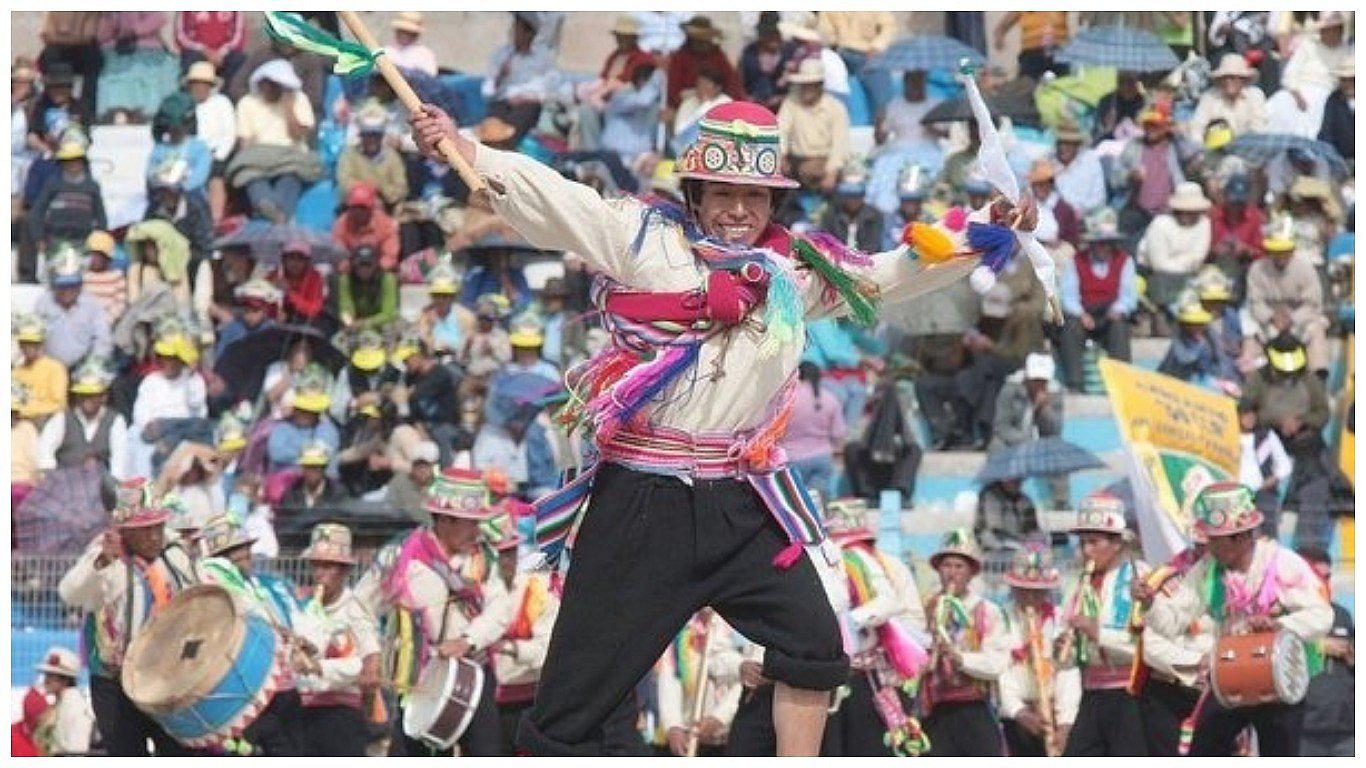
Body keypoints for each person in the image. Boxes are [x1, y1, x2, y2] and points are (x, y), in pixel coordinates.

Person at [409, 94, 1038, 756]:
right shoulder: (646, 241)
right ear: (696, 191)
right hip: (641, 503)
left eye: (756, 196)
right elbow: (567, 203)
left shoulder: (793, 272)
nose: (739, 210)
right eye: (723, 193)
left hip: (739, 500)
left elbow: (882, 275)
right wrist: (466, 148)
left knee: (814, 642)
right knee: (569, 709)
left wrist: (981, 233)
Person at [1146, 483, 1333, 755]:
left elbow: (1322, 615)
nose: (1209, 546)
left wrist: (1279, 625)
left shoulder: (1282, 564)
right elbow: (1173, 621)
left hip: (1279, 684)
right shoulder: (1206, 570)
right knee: (1202, 750)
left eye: (1216, 539)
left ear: (1242, 537)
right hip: (1230, 678)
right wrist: (1150, 602)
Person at [356, 469, 513, 756]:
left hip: (474, 673)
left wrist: (467, 640)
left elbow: (501, 608)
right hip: (419, 679)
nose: (477, 531)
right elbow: (359, 606)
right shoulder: (401, 556)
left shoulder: (483, 560)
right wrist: (370, 653)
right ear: (444, 519)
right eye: (470, 523)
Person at [58, 487, 200, 756]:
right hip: (115, 682)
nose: (154, 536)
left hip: (166, 676)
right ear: (126, 531)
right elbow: (70, 593)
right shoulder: (105, 554)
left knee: (179, 750)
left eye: (158, 527)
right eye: (144, 530)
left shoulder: (173, 555)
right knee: (126, 752)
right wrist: (101, 563)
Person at [820, 500, 930, 756]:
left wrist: (859, 627)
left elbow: (913, 621)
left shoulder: (890, 566)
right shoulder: (826, 566)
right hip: (831, 677)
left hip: (876, 679)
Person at [197, 516, 306, 755]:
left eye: (244, 548)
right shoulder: (219, 590)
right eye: (234, 550)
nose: (243, 554)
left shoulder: (263, 587)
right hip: (248, 690)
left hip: (282, 687)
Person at [1058, 493, 1149, 756]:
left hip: (1131, 693)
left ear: (1116, 543)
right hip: (1092, 693)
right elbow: (1066, 663)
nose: (1087, 551)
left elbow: (1145, 646)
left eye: (1094, 542)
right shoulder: (1076, 585)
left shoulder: (1139, 577)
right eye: (1083, 543)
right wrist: (1063, 646)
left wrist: (1098, 632)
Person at [920, 529, 1009, 757]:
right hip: (936, 712)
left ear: (971, 573)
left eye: (959, 567)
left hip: (974, 710)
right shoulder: (926, 608)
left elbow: (997, 664)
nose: (951, 573)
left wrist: (959, 658)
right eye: (946, 566)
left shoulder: (988, 611)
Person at [1130, 529, 1212, 756]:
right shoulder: (1165, 583)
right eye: (1205, 545)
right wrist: (1198, 661)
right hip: (1169, 693)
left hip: (1214, 696)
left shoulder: (1241, 584)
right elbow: (1153, 647)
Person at [999, 545, 1080, 756]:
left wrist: (1064, 724)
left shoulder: (1059, 621)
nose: (1031, 599)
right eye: (1023, 591)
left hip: (1053, 715)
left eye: (1037, 592)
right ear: (1013, 589)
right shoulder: (1001, 621)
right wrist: (1019, 712)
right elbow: (1000, 673)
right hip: (1016, 718)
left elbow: (1068, 674)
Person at [1059, 209, 1137, 391]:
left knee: (1119, 327)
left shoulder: (1125, 261)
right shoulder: (1076, 260)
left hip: (1110, 312)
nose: (1105, 248)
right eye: (1101, 243)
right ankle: (1075, 382)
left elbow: (1129, 296)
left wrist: (1118, 309)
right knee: (1070, 327)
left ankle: (1122, 383)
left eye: (1109, 243)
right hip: (1084, 311)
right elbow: (1068, 296)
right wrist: (1081, 314)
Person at [233, 58, 317, 222]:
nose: (270, 88)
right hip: (258, 156)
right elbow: (245, 142)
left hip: (290, 156)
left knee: (291, 176)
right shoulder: (247, 103)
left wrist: (288, 109)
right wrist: (248, 161)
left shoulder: (298, 99)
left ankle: (279, 215)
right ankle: (268, 206)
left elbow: (299, 135)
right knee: (251, 176)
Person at [654, 610, 743, 756]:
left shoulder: (738, 632)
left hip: (729, 735)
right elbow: (670, 677)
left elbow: (745, 681)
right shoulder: (681, 632)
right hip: (689, 736)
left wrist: (720, 717)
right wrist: (673, 725)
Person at [1296, 545, 1355, 757]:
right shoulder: (1289, 615)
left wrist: (1351, 655)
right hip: (1303, 729)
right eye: (1318, 577)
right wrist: (1320, 645)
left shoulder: (1342, 614)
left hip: (1346, 730)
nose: (1324, 584)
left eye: (1327, 577)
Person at [1245, 235, 1330, 374]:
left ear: (1292, 251)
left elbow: (1313, 303)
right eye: (1276, 251)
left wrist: (1292, 318)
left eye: (1284, 251)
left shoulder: (1305, 268)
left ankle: (1318, 379)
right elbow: (1254, 302)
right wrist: (1272, 317)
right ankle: (1250, 380)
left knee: (1316, 329)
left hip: (1299, 322)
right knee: (1250, 334)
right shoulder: (1257, 269)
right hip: (1269, 322)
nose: (1280, 255)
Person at [130, 330, 209, 477]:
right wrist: (147, 425)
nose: (168, 362)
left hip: (185, 429)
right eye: (164, 358)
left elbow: (196, 405)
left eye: (172, 358)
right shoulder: (151, 381)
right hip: (157, 429)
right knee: (135, 434)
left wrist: (191, 376)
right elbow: (140, 411)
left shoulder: (194, 380)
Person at [37, 358, 128, 478]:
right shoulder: (62, 418)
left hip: (100, 486)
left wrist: (114, 485)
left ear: (104, 397)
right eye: (83, 395)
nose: (86, 400)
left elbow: (119, 460)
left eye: (92, 396)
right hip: (64, 483)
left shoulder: (115, 420)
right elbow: (45, 451)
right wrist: (52, 478)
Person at [28, 130, 106, 266]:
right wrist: (39, 237)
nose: (72, 165)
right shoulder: (53, 184)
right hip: (55, 239)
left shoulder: (92, 186)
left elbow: (101, 216)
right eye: (68, 161)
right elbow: (37, 212)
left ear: (83, 162)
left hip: (84, 240)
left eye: (76, 161)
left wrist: (98, 241)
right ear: (62, 163)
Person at [483, 12, 556, 150]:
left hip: (528, 104)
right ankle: (490, 145)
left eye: (518, 30)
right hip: (502, 103)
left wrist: (525, 97)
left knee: (525, 112)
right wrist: (500, 77)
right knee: (494, 118)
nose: (514, 33)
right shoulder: (502, 55)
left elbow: (548, 88)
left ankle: (505, 147)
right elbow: (487, 91)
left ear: (530, 34)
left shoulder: (543, 57)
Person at [1136, 182, 1212, 314]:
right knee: (1162, 285)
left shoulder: (1204, 223)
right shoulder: (1160, 225)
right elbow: (1159, 265)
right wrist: (1186, 262)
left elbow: (1198, 257)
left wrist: (1178, 262)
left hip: (1189, 277)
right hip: (1155, 276)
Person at [778, 58, 850, 191]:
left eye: (810, 85)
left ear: (820, 85)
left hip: (824, 161)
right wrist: (781, 155)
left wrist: (831, 173)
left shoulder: (836, 108)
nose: (806, 89)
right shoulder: (791, 103)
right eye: (804, 85)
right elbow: (781, 130)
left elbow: (839, 145)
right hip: (795, 161)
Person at [780, 362, 847, 499]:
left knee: (796, 501)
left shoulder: (785, 399)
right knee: (820, 502)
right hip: (822, 456)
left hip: (791, 457)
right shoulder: (830, 398)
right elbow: (838, 434)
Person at [182, 61, 236, 219]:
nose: (199, 88)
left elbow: (229, 134)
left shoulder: (222, 103)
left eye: (203, 84)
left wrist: (217, 156)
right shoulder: (184, 105)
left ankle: (215, 219)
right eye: (195, 84)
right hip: (188, 155)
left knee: (215, 177)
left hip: (216, 153)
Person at [665, 16, 745, 119]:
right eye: (698, 40)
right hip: (685, 107)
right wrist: (696, 93)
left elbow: (733, 85)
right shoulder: (680, 57)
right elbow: (673, 92)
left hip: (716, 103)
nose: (701, 44)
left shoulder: (718, 57)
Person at [1237, 396, 1293, 537]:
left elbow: (1285, 464)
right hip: (1237, 496)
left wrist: (1274, 479)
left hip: (1263, 493)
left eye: (1252, 415)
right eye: (1245, 415)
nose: (1249, 419)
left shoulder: (1266, 436)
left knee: (1268, 536)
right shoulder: (1231, 436)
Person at [26, 647, 96, 755]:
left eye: (51, 675)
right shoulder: (62, 703)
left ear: (65, 679)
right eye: (46, 674)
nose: (46, 680)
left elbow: (77, 750)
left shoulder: (75, 706)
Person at [337, 104, 408, 209]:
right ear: (361, 136)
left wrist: (381, 190)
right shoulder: (349, 156)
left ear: (382, 136)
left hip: (387, 209)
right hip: (355, 209)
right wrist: (369, 192)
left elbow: (400, 188)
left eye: (376, 135)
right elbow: (345, 184)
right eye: (368, 135)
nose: (372, 140)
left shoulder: (392, 157)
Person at [990, 351, 1063, 451]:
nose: (1038, 384)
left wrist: (1044, 410)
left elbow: (1055, 430)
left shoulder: (1054, 392)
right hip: (1015, 440)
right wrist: (1025, 441)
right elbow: (1001, 426)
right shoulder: (1011, 390)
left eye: (1043, 381)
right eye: (1035, 380)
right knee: (997, 444)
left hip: (1041, 443)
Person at [1188, 53, 1267, 142]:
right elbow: (1197, 129)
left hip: (1247, 150)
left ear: (1243, 79)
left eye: (1232, 77)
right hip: (1216, 151)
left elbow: (1259, 129)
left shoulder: (1255, 96)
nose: (1228, 81)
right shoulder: (1210, 97)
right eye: (1224, 77)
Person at [1158, 302, 1236, 386]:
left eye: (1200, 324)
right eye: (1191, 324)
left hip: (1205, 379)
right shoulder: (1179, 339)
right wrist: (1198, 346)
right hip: (1177, 380)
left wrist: (1221, 378)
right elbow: (1184, 358)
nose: (1197, 327)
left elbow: (1221, 359)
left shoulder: (1211, 337)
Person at [12, 314, 68, 421]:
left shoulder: (55, 368)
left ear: (41, 343)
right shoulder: (16, 372)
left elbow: (58, 405)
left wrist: (27, 410)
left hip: (47, 422)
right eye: (24, 343)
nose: (28, 347)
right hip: (19, 422)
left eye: (33, 343)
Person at [335, 246, 398, 333]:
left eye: (369, 265)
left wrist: (364, 324)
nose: (364, 269)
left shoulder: (387, 279)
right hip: (354, 326)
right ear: (354, 265)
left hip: (381, 326)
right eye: (360, 265)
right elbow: (345, 307)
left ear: (376, 265)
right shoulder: (346, 280)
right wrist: (349, 322)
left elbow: (388, 313)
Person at [417, 263, 477, 356]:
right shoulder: (426, 314)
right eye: (437, 296)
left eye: (445, 296)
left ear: (452, 297)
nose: (440, 300)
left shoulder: (466, 316)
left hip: (457, 360)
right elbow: (423, 337)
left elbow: (469, 342)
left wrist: (451, 348)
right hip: (433, 358)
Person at [819, 166, 883, 251]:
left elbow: (873, 245)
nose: (852, 200)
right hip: (836, 259)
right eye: (848, 195)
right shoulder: (831, 214)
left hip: (867, 260)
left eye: (857, 195)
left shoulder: (874, 215)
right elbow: (825, 242)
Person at [1052, 118, 1106, 217]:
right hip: (1053, 219)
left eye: (1067, 143)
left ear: (1077, 145)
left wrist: (1078, 211)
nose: (1062, 148)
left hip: (1085, 219)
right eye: (1061, 142)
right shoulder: (1047, 162)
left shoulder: (1091, 162)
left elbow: (1098, 199)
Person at [267, 239, 327, 325]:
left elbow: (313, 310)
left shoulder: (314, 278)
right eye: (291, 258)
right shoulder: (274, 276)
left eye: (300, 258)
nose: (295, 263)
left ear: (307, 261)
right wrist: (274, 313)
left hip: (305, 323)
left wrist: (290, 294)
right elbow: (262, 305)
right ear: (284, 259)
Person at [174, 11, 246, 83]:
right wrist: (203, 50)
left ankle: (227, 92)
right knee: (190, 59)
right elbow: (180, 36)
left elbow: (239, 35)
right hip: (197, 52)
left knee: (238, 60)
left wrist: (221, 53)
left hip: (225, 53)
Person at [993, 12, 1069, 80]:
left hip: (1058, 52)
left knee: (1063, 83)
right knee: (1027, 85)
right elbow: (1001, 27)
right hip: (1032, 54)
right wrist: (999, 36)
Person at [975, 476, 1041, 550]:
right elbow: (994, 529)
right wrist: (1018, 542)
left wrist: (1034, 538)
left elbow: (1032, 527)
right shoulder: (990, 497)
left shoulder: (1025, 501)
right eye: (1011, 479)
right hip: (993, 547)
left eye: (1019, 479)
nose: (1017, 482)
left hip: (1018, 546)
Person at [383, 439, 438, 521]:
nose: (422, 470)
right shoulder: (402, 482)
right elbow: (418, 515)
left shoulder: (440, 483)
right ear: (412, 466)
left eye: (426, 465)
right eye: (418, 465)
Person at [80, 231, 127, 323]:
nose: (95, 259)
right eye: (93, 254)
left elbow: (120, 303)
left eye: (99, 255)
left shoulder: (116, 276)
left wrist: (107, 320)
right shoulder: (84, 275)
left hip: (108, 321)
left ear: (107, 258)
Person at [1317, 60, 1354, 161]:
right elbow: (1326, 132)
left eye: (1352, 80)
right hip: (1340, 159)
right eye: (1344, 80)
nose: (1348, 84)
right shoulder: (1334, 99)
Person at [385, 12, 438, 76]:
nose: (405, 35)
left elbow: (430, 79)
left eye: (409, 32)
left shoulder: (424, 54)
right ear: (397, 31)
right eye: (403, 31)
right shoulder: (385, 52)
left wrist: (403, 72)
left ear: (416, 34)